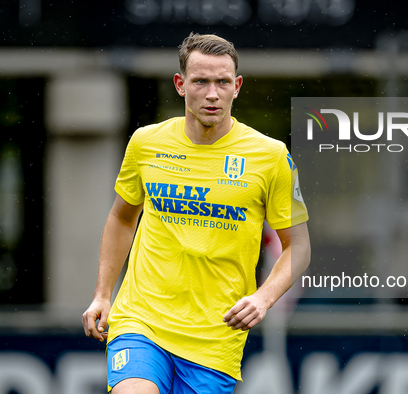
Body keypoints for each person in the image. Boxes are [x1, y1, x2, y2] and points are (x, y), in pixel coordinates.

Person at [82, 32, 311, 394]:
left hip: (214, 338)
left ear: (236, 86)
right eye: (200, 81)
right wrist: (102, 294)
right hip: (142, 319)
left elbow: (298, 247)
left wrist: (263, 298)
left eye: (222, 82)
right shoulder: (146, 143)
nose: (212, 93)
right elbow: (122, 218)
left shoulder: (271, 156)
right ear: (180, 84)